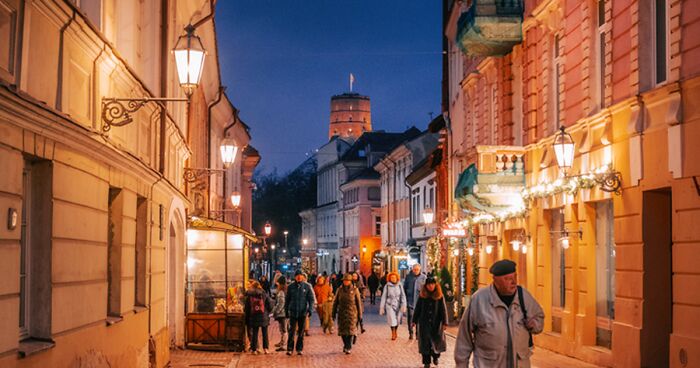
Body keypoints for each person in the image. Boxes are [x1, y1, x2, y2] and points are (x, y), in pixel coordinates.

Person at [454, 260, 544, 368]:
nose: (514, 282)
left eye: (515, 277)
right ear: (495, 281)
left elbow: (539, 318)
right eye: (508, 279)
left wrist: (535, 324)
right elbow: (464, 336)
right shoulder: (479, 300)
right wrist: (461, 364)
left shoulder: (524, 296)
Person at [413, 276, 448, 368]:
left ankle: (436, 356)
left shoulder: (439, 296)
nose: (431, 286)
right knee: (425, 344)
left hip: (436, 324)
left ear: (435, 285)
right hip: (424, 324)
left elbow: (443, 310)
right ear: (426, 286)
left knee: (436, 343)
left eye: (432, 284)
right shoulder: (422, 296)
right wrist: (414, 320)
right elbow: (418, 309)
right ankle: (426, 362)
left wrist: (445, 322)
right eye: (429, 284)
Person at [284, 270, 315, 356]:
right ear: (295, 277)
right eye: (297, 275)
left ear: (303, 277)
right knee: (291, 331)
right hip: (293, 312)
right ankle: (289, 348)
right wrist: (286, 311)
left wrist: (310, 310)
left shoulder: (307, 286)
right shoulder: (290, 287)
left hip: (303, 312)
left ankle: (299, 348)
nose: (299, 277)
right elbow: (287, 300)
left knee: (301, 332)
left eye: (300, 275)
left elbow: (311, 299)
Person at [332, 274, 363, 354]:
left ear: (350, 281)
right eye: (345, 281)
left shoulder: (355, 290)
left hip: (352, 313)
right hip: (342, 313)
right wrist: (333, 313)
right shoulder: (339, 290)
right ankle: (345, 344)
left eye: (348, 281)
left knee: (350, 331)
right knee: (342, 331)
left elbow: (358, 303)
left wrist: (360, 315)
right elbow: (335, 302)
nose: (346, 282)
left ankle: (348, 346)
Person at [244, 280, 273, 354]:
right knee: (264, 333)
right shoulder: (264, 293)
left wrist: (248, 314)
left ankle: (254, 349)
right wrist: (267, 312)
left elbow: (247, 307)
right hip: (264, 316)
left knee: (255, 333)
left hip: (253, 316)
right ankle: (266, 348)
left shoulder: (249, 294)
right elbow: (269, 305)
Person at [379, 271, 407, 340]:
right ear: (389, 278)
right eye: (391, 278)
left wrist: (404, 305)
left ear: (397, 278)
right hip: (390, 305)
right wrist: (382, 307)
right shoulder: (387, 286)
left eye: (394, 277)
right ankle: (393, 333)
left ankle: (396, 331)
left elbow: (403, 296)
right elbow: (384, 297)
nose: (393, 279)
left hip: (398, 305)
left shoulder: (400, 285)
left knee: (397, 320)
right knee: (392, 319)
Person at [404, 263, 427, 340]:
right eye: (414, 269)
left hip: (419, 302)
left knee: (419, 318)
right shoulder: (408, 277)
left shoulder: (423, 277)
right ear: (412, 269)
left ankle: (418, 333)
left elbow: (426, 289)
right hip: (410, 301)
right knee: (410, 317)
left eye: (417, 269)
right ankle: (410, 333)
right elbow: (405, 287)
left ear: (420, 269)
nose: (416, 271)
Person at [272, 277, 288, 351]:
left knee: (283, 329)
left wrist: (276, 311)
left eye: (277, 283)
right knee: (283, 329)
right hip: (283, 313)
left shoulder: (281, 292)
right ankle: (282, 342)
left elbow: (281, 303)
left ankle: (283, 344)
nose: (276, 284)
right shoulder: (284, 291)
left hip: (282, 313)